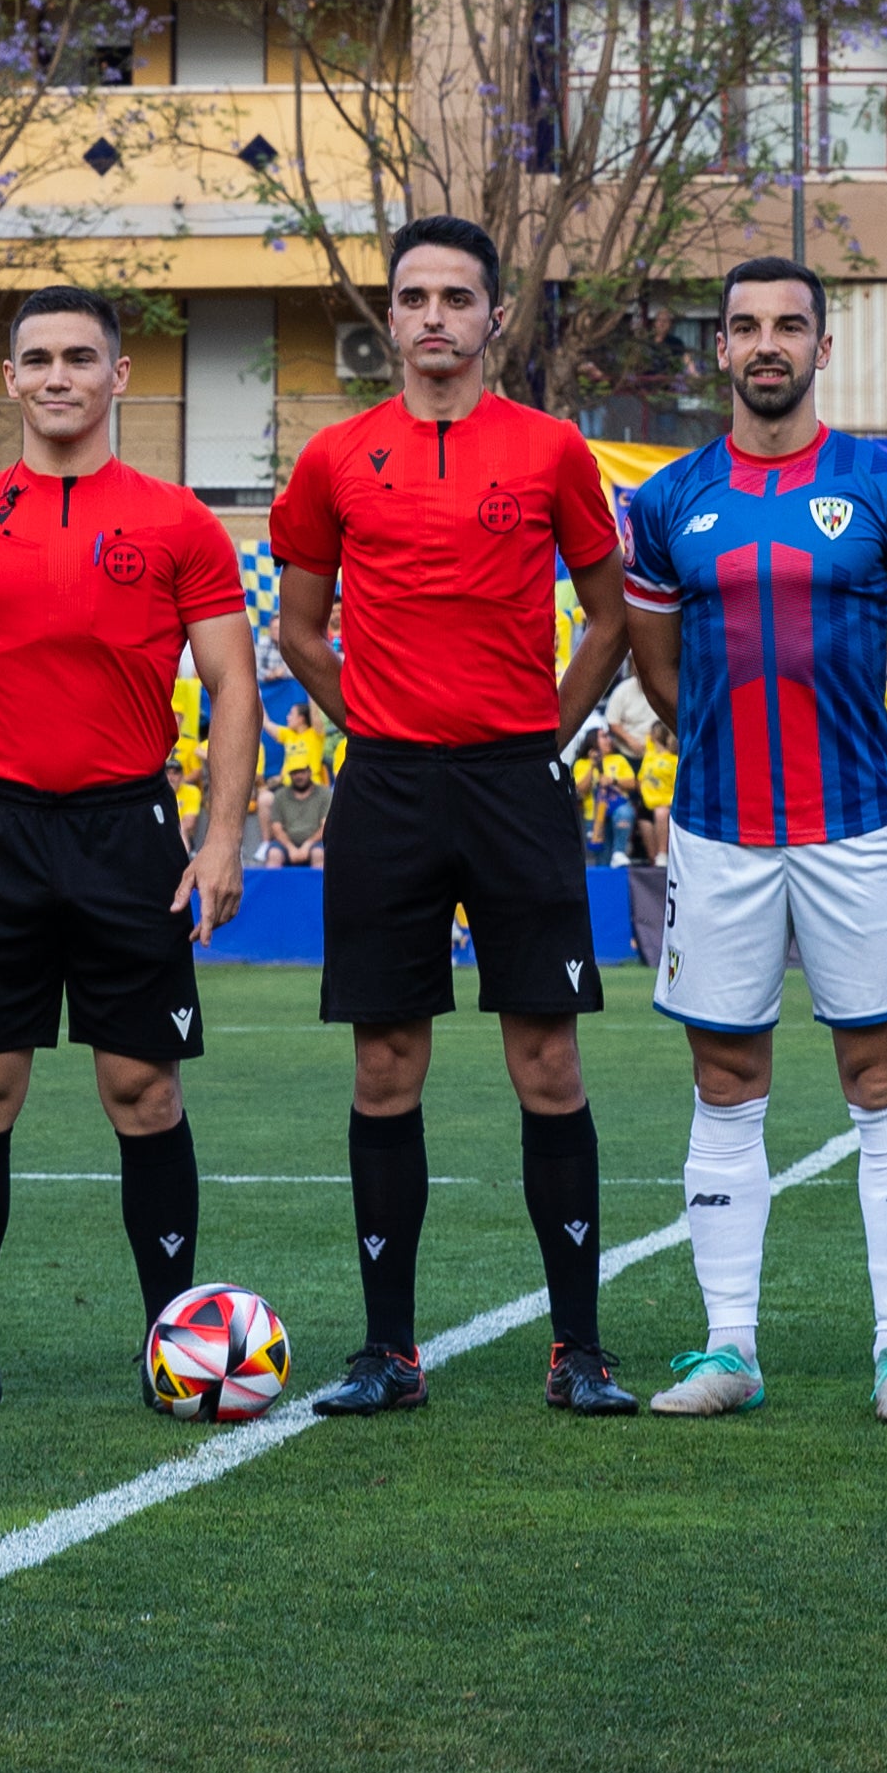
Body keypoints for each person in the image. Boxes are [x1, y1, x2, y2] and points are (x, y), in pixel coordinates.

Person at [0, 285, 261, 1417]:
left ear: (117, 375)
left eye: (78, 356)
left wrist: (219, 832)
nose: (55, 374)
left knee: (141, 1090)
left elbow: (232, 684)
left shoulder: (179, 522)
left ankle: (174, 1344)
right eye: (34, 356)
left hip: (128, 828)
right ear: (9, 378)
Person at [269, 213, 638, 1420]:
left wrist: (545, 729)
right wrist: (369, 721)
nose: (433, 315)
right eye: (413, 295)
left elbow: (608, 613)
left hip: (513, 783)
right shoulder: (333, 458)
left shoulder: (550, 452)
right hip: (387, 786)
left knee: (545, 1056)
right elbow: (300, 628)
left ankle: (576, 1348)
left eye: (455, 297)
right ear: (392, 315)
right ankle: (389, 1350)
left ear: (492, 317)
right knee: (385, 1063)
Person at [614, 257, 887, 1426]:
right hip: (720, 837)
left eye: (788, 325)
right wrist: (719, 754)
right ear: (716, 351)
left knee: (880, 1077)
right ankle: (728, 1347)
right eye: (743, 327)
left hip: (852, 834)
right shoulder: (667, 502)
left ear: (823, 347)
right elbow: (658, 671)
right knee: (725, 1081)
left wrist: (872, 775)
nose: (765, 343)